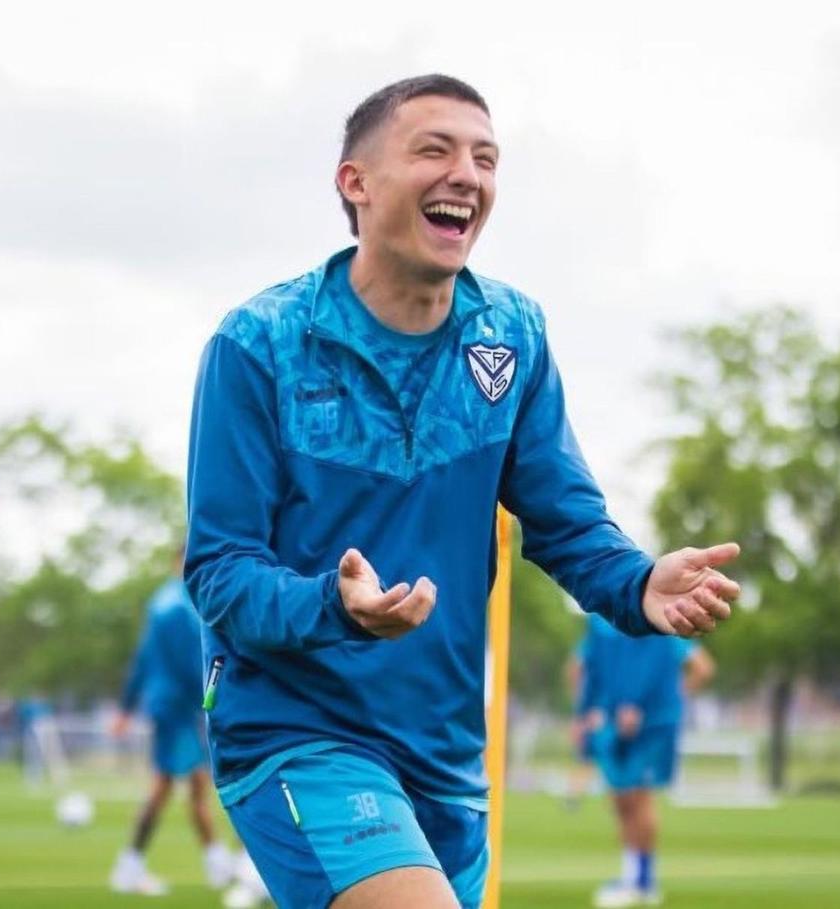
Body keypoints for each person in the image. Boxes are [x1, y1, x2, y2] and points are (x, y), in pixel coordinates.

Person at [184, 73, 742, 909]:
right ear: (356, 183)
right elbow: (220, 570)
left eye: (486, 159)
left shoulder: (512, 336)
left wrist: (635, 581)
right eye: (435, 150)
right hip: (300, 731)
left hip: (446, 751)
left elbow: (564, 519)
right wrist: (334, 608)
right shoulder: (259, 343)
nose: (468, 175)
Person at [109, 548, 236, 896]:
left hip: (165, 705)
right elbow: (191, 664)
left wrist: (127, 706)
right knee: (179, 785)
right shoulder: (183, 604)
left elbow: (142, 659)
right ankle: (134, 865)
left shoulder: (160, 602)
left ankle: (211, 862)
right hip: (177, 707)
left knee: (183, 784)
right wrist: (211, 703)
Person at [572, 615, 715, 907]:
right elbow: (579, 667)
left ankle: (643, 881)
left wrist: (661, 707)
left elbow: (702, 668)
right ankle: (632, 875)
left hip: (651, 727)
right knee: (621, 800)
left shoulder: (663, 623)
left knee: (640, 797)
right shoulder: (600, 623)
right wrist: (589, 713)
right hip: (612, 724)